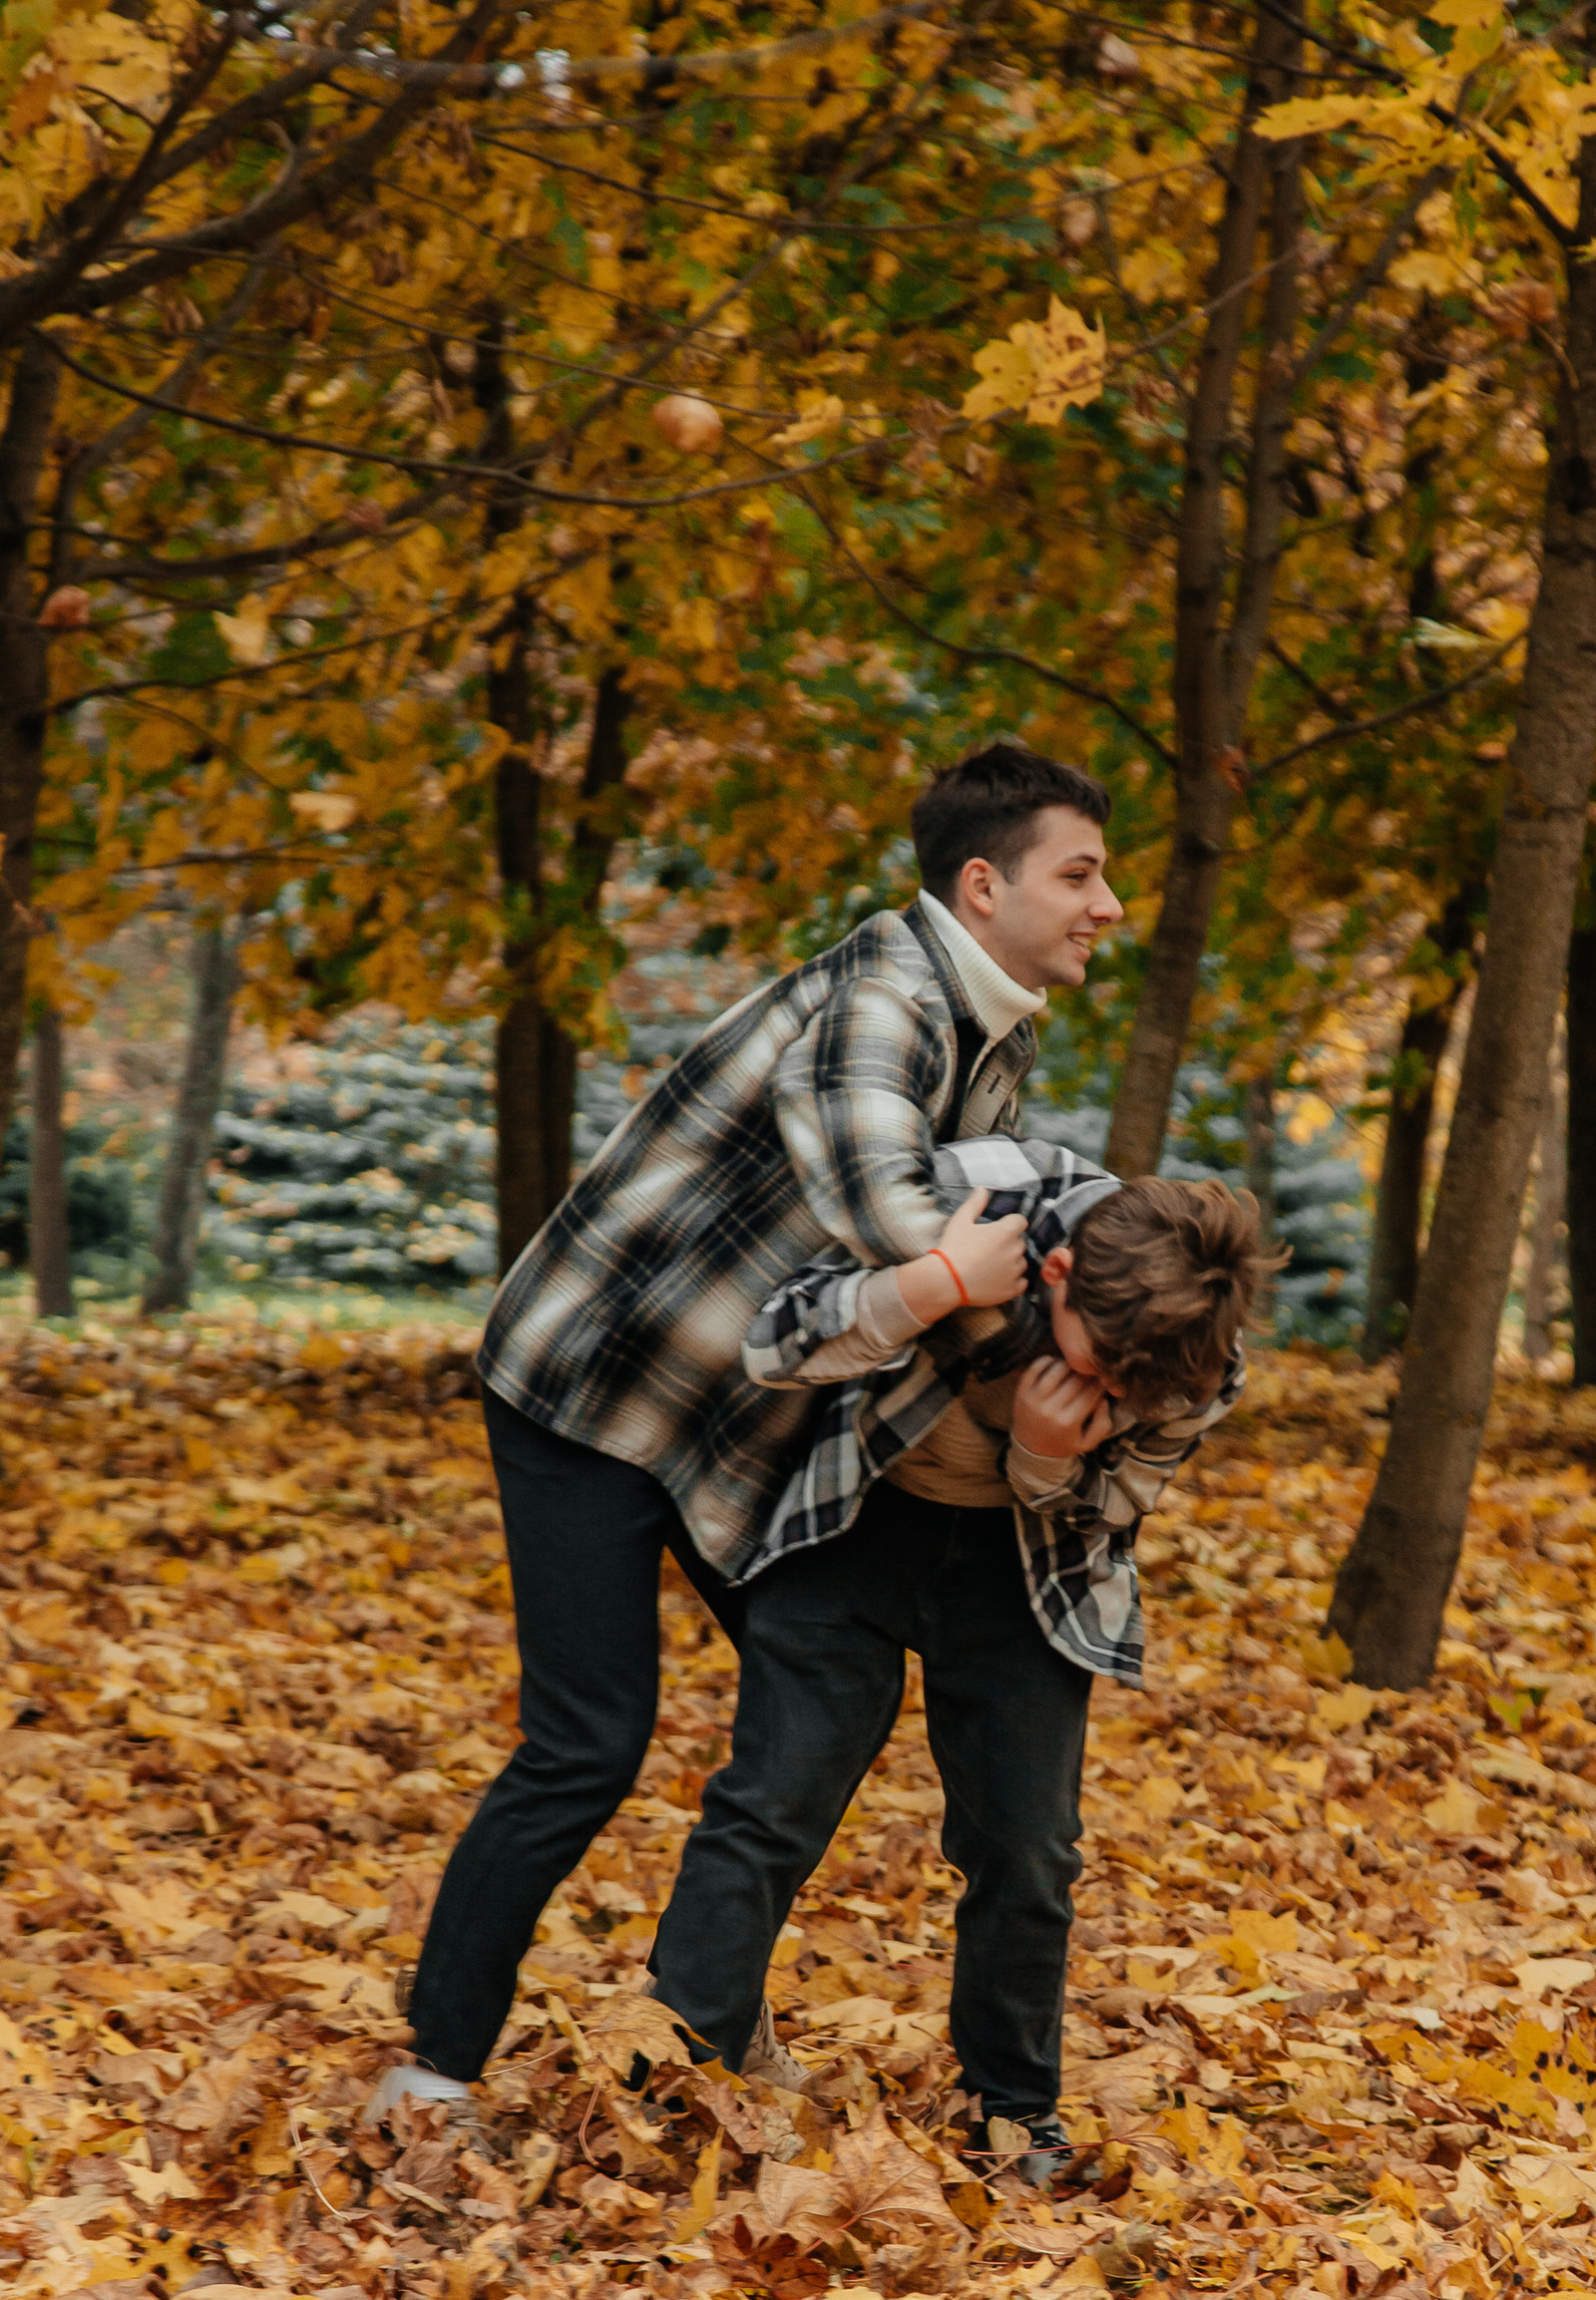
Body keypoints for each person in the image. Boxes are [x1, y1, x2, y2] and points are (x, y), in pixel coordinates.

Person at [364, 742, 1122, 2128]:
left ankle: (698, 2016)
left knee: (828, 1694)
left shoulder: (993, 1031)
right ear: (983, 883)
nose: (1106, 905)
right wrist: (1051, 1272)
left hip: (735, 1405)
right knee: (588, 1742)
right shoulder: (884, 1001)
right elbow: (897, 1221)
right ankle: (433, 2071)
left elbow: (961, 1247)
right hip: (594, 1394)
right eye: (1079, 875)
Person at [641, 1136, 1268, 2185]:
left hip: (1023, 1566)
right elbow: (772, 1335)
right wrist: (934, 1286)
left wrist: (1044, 1453)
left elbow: (1113, 1509)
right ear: (1058, 1273)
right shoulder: (959, 1195)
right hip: (853, 1517)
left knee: (1028, 1845)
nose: (1115, 1398)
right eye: (1098, 1371)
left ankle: (1013, 2118)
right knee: (777, 1797)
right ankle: (677, 2078)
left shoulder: (1196, 1364)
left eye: (1135, 1395)